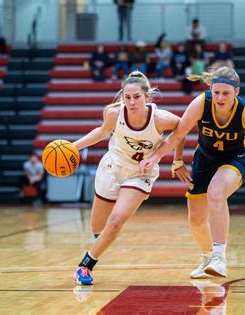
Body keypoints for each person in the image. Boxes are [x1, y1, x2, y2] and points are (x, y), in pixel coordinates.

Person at [140, 66, 245, 278]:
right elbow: (177, 135)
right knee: (196, 221)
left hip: (236, 159)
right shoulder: (200, 104)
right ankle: (208, 257)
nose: (220, 97)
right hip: (205, 159)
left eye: (226, 93)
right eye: (216, 92)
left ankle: (219, 257)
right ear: (211, 90)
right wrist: (156, 157)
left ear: (236, 92)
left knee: (216, 192)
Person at [72, 71, 184, 285]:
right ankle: (101, 243)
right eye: (127, 97)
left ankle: (85, 266)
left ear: (147, 97)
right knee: (98, 230)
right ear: (122, 97)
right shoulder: (114, 114)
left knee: (115, 221)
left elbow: (181, 130)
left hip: (139, 174)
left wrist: (175, 159)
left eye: (137, 97)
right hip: (113, 168)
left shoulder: (161, 119)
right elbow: (102, 132)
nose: (132, 102)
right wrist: (74, 147)